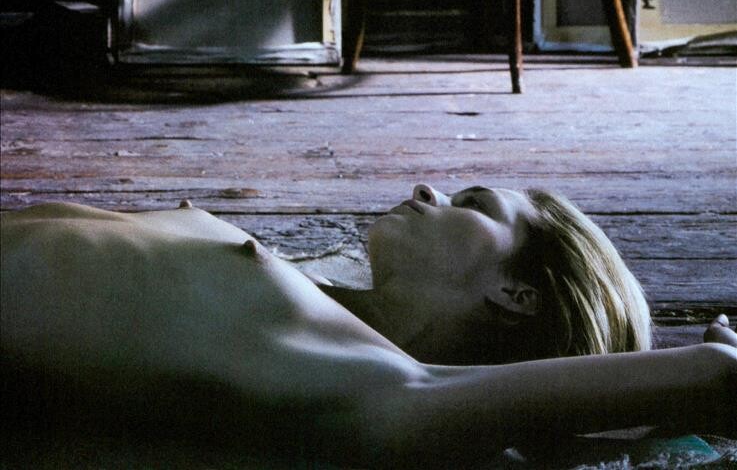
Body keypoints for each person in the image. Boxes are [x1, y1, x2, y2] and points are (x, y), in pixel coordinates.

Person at [1, 185, 735, 467]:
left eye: (473, 204)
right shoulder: (323, 322)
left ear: (519, 293)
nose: (427, 188)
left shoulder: (360, 380)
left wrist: (704, 371)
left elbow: (418, 400)